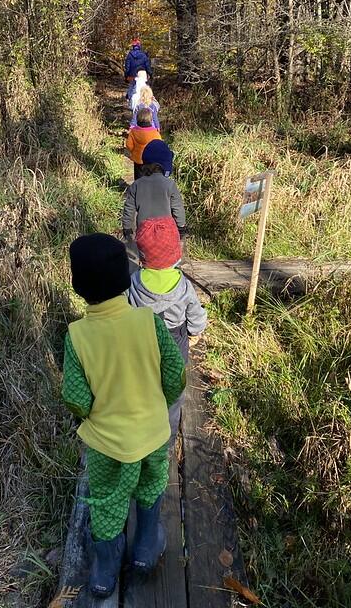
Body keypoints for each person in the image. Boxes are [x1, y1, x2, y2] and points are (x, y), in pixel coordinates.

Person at [62, 233, 185, 598]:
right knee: (150, 487)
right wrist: (157, 405)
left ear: (80, 287)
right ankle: (146, 547)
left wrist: (88, 415)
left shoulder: (77, 337)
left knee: (108, 501)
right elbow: (176, 374)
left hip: (108, 446)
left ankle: (105, 568)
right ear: (125, 278)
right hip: (152, 435)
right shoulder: (149, 322)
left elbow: (75, 398)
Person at [128, 217, 207, 439]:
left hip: (144, 347)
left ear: (142, 255)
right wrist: (195, 333)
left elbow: (125, 311)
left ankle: (143, 433)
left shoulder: (134, 282)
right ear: (176, 252)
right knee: (173, 397)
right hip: (176, 345)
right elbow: (196, 316)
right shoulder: (183, 286)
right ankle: (167, 441)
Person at [122, 139, 185, 237]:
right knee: (169, 252)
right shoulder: (170, 185)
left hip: (144, 233)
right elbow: (177, 207)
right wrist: (181, 227)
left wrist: (127, 228)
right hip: (166, 233)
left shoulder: (137, 185)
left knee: (144, 252)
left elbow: (129, 208)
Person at [126, 107, 161, 180]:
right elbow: (159, 146)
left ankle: (138, 190)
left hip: (138, 159)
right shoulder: (154, 132)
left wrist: (133, 152)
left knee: (138, 177)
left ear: (137, 119)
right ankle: (148, 190)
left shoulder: (133, 131)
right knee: (149, 178)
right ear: (151, 120)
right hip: (151, 160)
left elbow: (129, 145)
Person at [124, 38, 152, 103]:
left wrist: (126, 75)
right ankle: (142, 103)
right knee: (143, 89)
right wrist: (150, 74)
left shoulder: (129, 55)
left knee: (132, 87)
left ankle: (131, 102)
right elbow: (147, 66)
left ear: (133, 46)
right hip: (142, 75)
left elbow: (127, 67)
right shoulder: (144, 55)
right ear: (139, 46)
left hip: (132, 75)